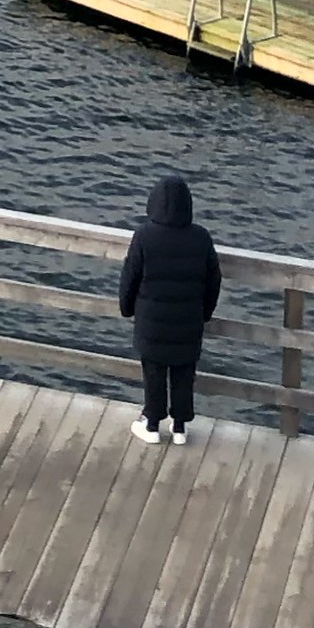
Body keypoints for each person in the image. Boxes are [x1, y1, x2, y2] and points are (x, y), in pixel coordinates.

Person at [117, 171, 220, 445]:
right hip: (188, 322)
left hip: (152, 322)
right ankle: (180, 428)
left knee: (154, 373)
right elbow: (213, 280)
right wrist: (205, 313)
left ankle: (151, 424)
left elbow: (130, 277)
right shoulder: (201, 237)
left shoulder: (144, 236)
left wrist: (126, 308)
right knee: (184, 374)